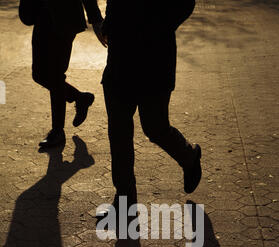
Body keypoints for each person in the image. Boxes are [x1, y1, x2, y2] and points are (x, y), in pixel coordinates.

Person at [98, 0, 201, 209]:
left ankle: (188, 156)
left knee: (155, 127)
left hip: (155, 59)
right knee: (119, 131)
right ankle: (125, 198)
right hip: (119, 57)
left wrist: (159, 26)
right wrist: (104, 23)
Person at [19, 0, 105, 148]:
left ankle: (57, 131)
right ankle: (81, 98)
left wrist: (96, 19)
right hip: (41, 17)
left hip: (65, 18)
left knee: (55, 75)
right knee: (39, 74)